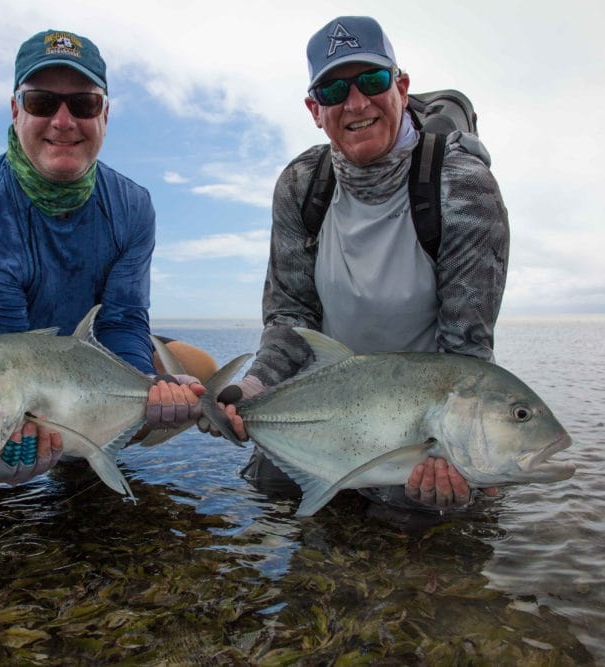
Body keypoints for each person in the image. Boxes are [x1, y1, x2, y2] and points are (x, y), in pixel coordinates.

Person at [0, 28, 215, 504]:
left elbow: (123, 320)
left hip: (78, 361)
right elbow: (5, 359)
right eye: (42, 102)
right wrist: (9, 439)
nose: (63, 121)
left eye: (82, 104)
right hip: (3, 362)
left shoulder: (132, 205)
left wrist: (148, 391)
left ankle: (84, 454)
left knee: (198, 370)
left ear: (104, 114)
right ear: (16, 110)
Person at [207, 16, 509, 512]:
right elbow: (291, 318)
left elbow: (466, 351)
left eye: (371, 80)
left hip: (417, 419)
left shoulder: (462, 186)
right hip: (324, 405)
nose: (356, 103)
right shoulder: (303, 185)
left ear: (401, 85)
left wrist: (460, 453)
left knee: (421, 522)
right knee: (270, 497)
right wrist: (254, 387)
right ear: (313, 109)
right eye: (332, 90)